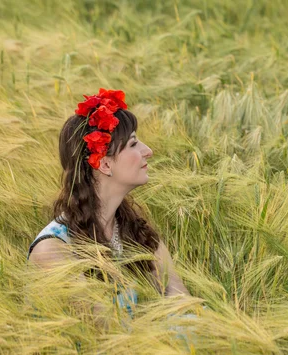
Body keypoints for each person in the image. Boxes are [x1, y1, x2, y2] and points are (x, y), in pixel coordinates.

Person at [26, 88, 190, 313]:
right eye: (133, 144)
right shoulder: (54, 250)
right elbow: (104, 331)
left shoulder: (136, 231)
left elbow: (181, 301)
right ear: (104, 164)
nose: (148, 151)